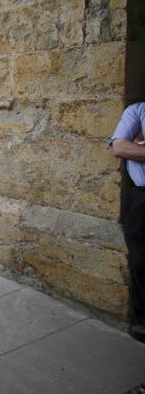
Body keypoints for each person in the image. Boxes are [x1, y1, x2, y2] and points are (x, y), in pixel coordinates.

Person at [111, 102, 145, 344]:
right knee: (141, 258)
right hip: (143, 197)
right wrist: (132, 146)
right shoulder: (137, 111)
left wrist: (140, 147)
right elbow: (119, 146)